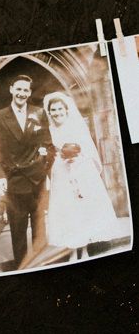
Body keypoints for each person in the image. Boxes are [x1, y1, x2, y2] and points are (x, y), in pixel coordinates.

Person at [43, 92, 123, 258]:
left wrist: (76, 159)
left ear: (66, 110)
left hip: (81, 170)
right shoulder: (50, 130)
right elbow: (52, 152)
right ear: (49, 112)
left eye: (60, 109)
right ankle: (73, 251)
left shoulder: (76, 127)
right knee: (68, 211)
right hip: (61, 172)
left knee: (83, 210)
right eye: (53, 110)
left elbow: (87, 150)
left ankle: (85, 249)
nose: (57, 112)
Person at [0, 75, 50, 268]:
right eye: (18, 89)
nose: (22, 93)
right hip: (14, 181)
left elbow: (47, 143)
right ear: (11, 89)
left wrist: (44, 165)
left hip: (37, 180)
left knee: (40, 227)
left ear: (29, 93)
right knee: (18, 230)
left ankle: (42, 265)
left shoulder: (38, 113)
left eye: (26, 90)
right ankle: (23, 268)